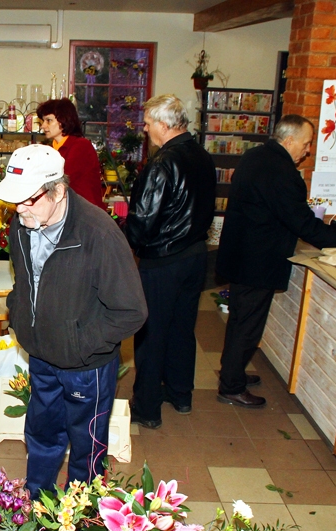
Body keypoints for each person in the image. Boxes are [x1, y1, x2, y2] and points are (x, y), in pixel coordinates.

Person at [0, 143, 147, 499]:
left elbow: (132, 311)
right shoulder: (22, 223)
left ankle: (80, 511)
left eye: (28, 200)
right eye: (14, 200)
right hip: (42, 355)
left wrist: (79, 343)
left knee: (86, 448)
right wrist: (20, 315)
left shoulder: (99, 234)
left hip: (85, 366)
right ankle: (37, 504)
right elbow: (25, 280)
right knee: (42, 434)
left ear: (58, 190)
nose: (18, 210)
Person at [216, 114, 336, 407]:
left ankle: (231, 371)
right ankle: (231, 386)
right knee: (248, 324)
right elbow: (301, 222)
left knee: (239, 319)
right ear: (288, 141)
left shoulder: (255, 156)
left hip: (240, 254)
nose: (308, 149)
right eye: (306, 143)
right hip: (258, 261)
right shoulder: (281, 171)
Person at [125, 94, 216, 429]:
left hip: (163, 260)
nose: (146, 129)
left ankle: (147, 408)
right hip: (195, 256)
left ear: (164, 125)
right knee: (181, 329)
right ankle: (181, 394)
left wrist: (126, 245)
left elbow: (144, 219)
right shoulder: (202, 156)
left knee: (151, 334)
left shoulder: (163, 163)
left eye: (148, 123)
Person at [36, 98, 105, 208]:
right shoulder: (51, 148)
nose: (43, 126)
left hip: (85, 214)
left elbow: (60, 179)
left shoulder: (81, 146)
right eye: (43, 121)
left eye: (48, 120)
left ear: (64, 120)